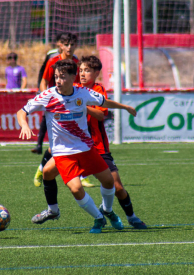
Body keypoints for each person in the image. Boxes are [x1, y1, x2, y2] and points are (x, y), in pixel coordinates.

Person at [17, 59, 138, 233]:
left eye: (62, 77)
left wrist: (125, 107)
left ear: (73, 77)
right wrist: (25, 125)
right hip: (62, 153)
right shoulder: (48, 95)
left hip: (86, 148)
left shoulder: (82, 93)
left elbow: (104, 102)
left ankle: (107, 211)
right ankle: (98, 218)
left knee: (109, 181)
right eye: (56, 77)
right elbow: (21, 112)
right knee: (75, 188)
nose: (58, 81)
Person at [31, 32, 79, 155]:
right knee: (50, 125)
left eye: (72, 45)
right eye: (66, 45)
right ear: (60, 45)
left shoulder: (76, 62)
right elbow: (44, 80)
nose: (69, 47)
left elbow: (78, 83)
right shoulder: (53, 60)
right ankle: (39, 145)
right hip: (56, 99)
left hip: (71, 99)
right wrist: (45, 95)